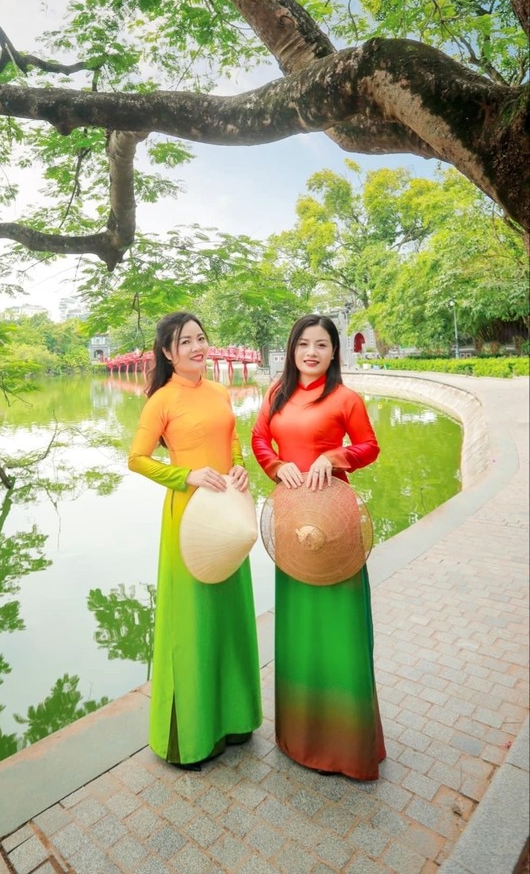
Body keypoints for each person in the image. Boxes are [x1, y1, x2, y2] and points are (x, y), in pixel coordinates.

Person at [251, 313, 385, 780]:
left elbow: (369, 447)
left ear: (334, 352)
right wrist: (276, 465)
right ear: (292, 349)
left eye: (322, 345)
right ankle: (301, 736)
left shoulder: (346, 398)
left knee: (340, 625)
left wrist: (335, 455)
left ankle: (347, 746)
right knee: (299, 625)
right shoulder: (276, 393)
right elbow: (259, 439)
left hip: (334, 521)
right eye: (303, 344)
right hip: (293, 524)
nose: (311, 352)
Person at [128, 311, 262, 769]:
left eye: (200, 338)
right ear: (168, 352)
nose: (197, 347)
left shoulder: (219, 391)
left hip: (228, 510)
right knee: (193, 621)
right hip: (188, 514)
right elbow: (137, 459)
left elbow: (233, 439)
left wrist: (239, 466)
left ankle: (235, 720)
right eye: (185, 341)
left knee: (230, 614)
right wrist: (186, 475)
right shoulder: (161, 401)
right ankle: (192, 736)